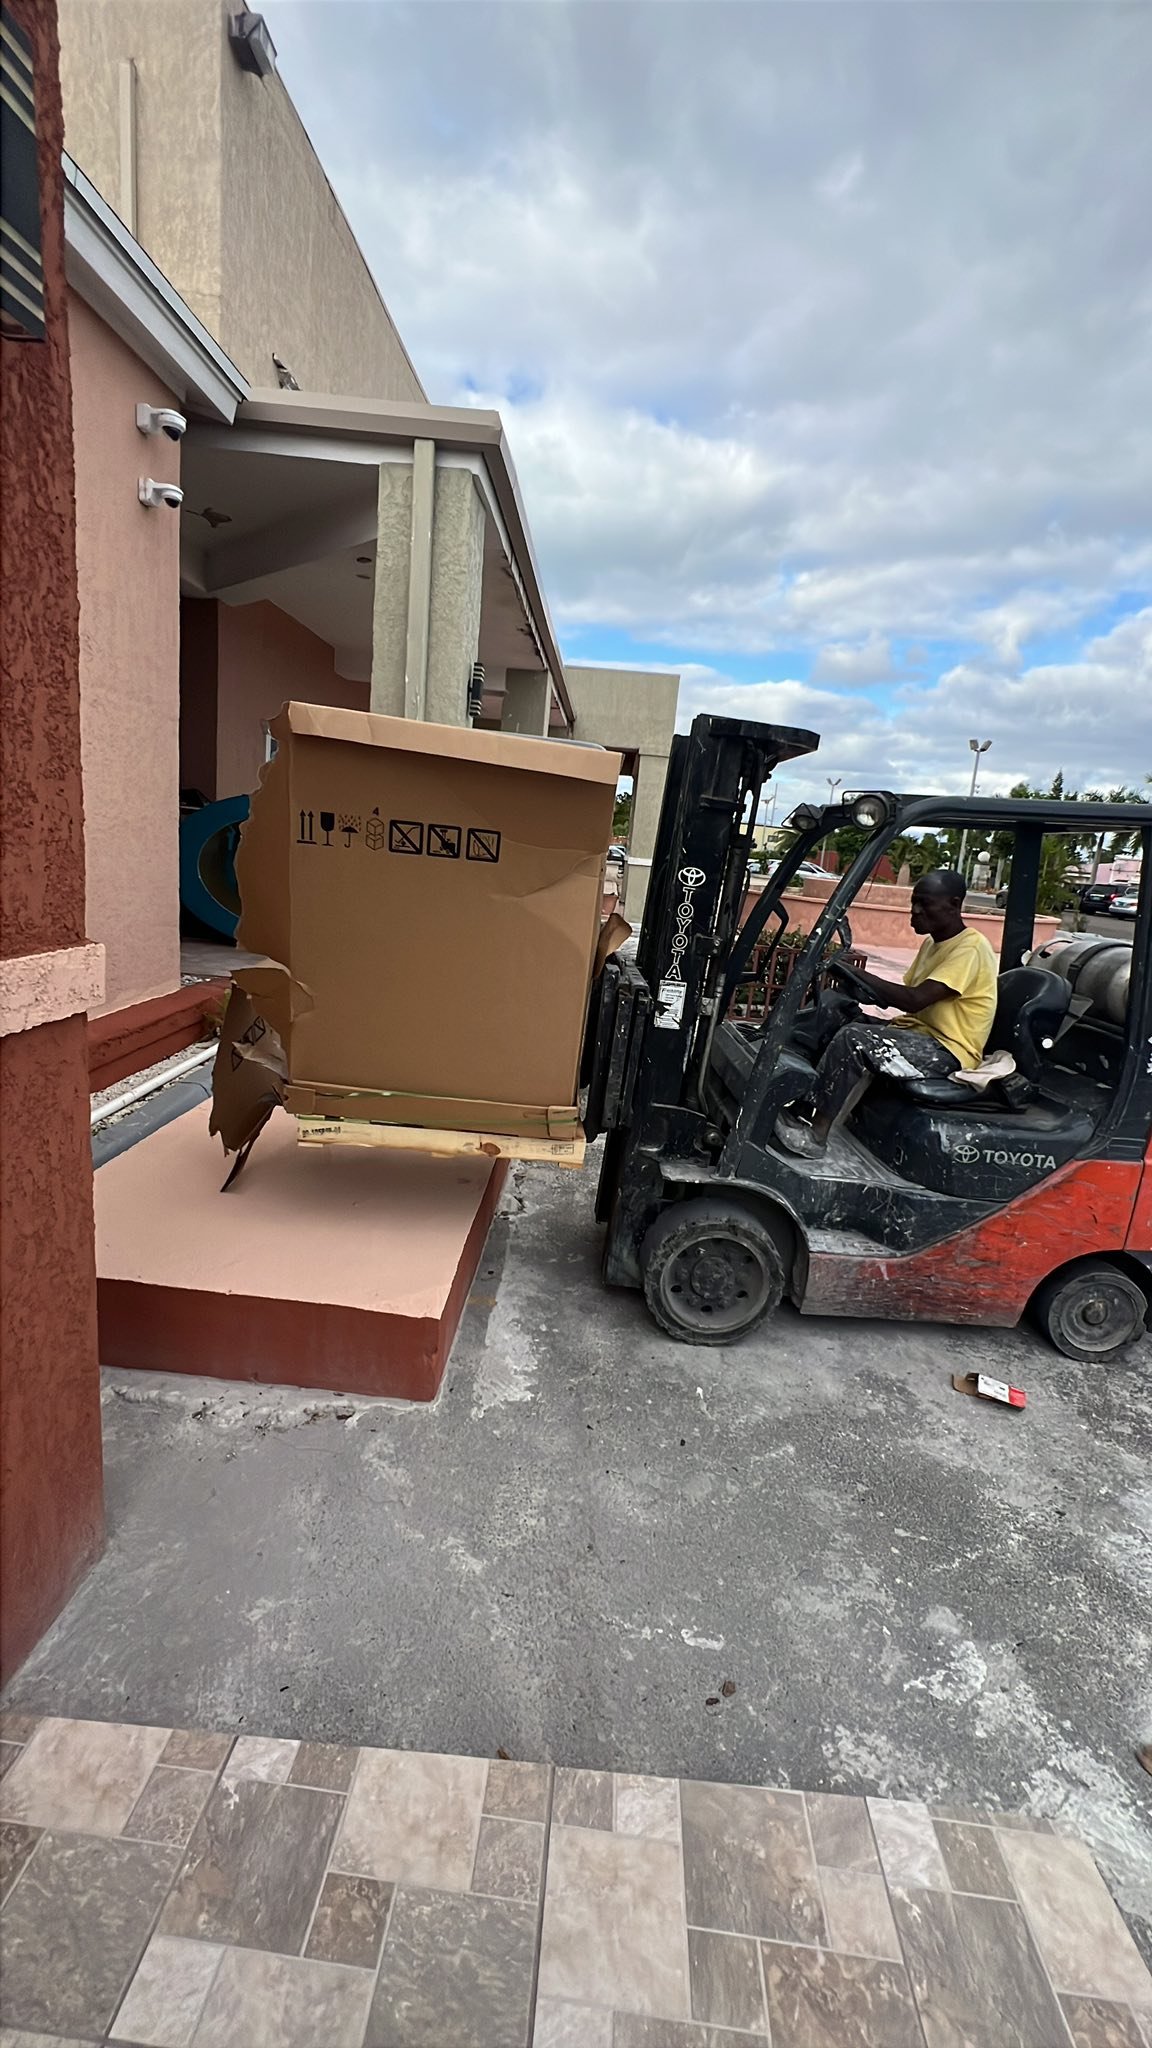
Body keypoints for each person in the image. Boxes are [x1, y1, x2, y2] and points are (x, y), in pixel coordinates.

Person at [774, 870, 998, 1158]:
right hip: (916, 1034)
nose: (915, 910)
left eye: (925, 903)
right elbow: (898, 996)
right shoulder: (933, 943)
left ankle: (816, 1135)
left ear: (954, 904)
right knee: (832, 1009)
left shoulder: (971, 948)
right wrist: (851, 985)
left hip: (946, 1050)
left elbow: (915, 1000)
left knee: (855, 1039)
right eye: (914, 902)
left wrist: (856, 972)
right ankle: (799, 1108)